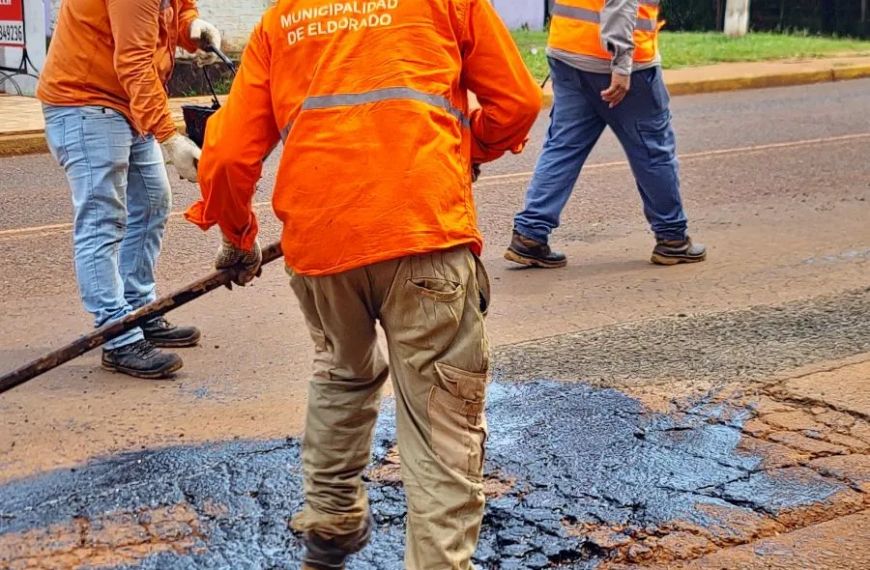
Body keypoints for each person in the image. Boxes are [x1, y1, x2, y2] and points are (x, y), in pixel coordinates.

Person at [185, 0, 542, 566]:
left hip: (323, 246)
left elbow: (227, 157)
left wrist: (238, 237)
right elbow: (519, 102)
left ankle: (331, 515)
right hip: (423, 235)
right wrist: (469, 149)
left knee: (342, 372)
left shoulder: (284, 18)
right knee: (439, 424)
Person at [37, 0, 220, 378]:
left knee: (155, 200)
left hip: (127, 101)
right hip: (86, 100)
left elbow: (177, 8)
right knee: (103, 218)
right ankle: (118, 334)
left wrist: (191, 26)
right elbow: (134, 62)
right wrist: (169, 138)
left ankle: (138, 310)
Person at [505, 0, 706, 269]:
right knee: (653, 151)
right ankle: (672, 239)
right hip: (617, 62)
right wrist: (621, 63)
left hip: (568, 49)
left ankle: (530, 234)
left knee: (563, 148)